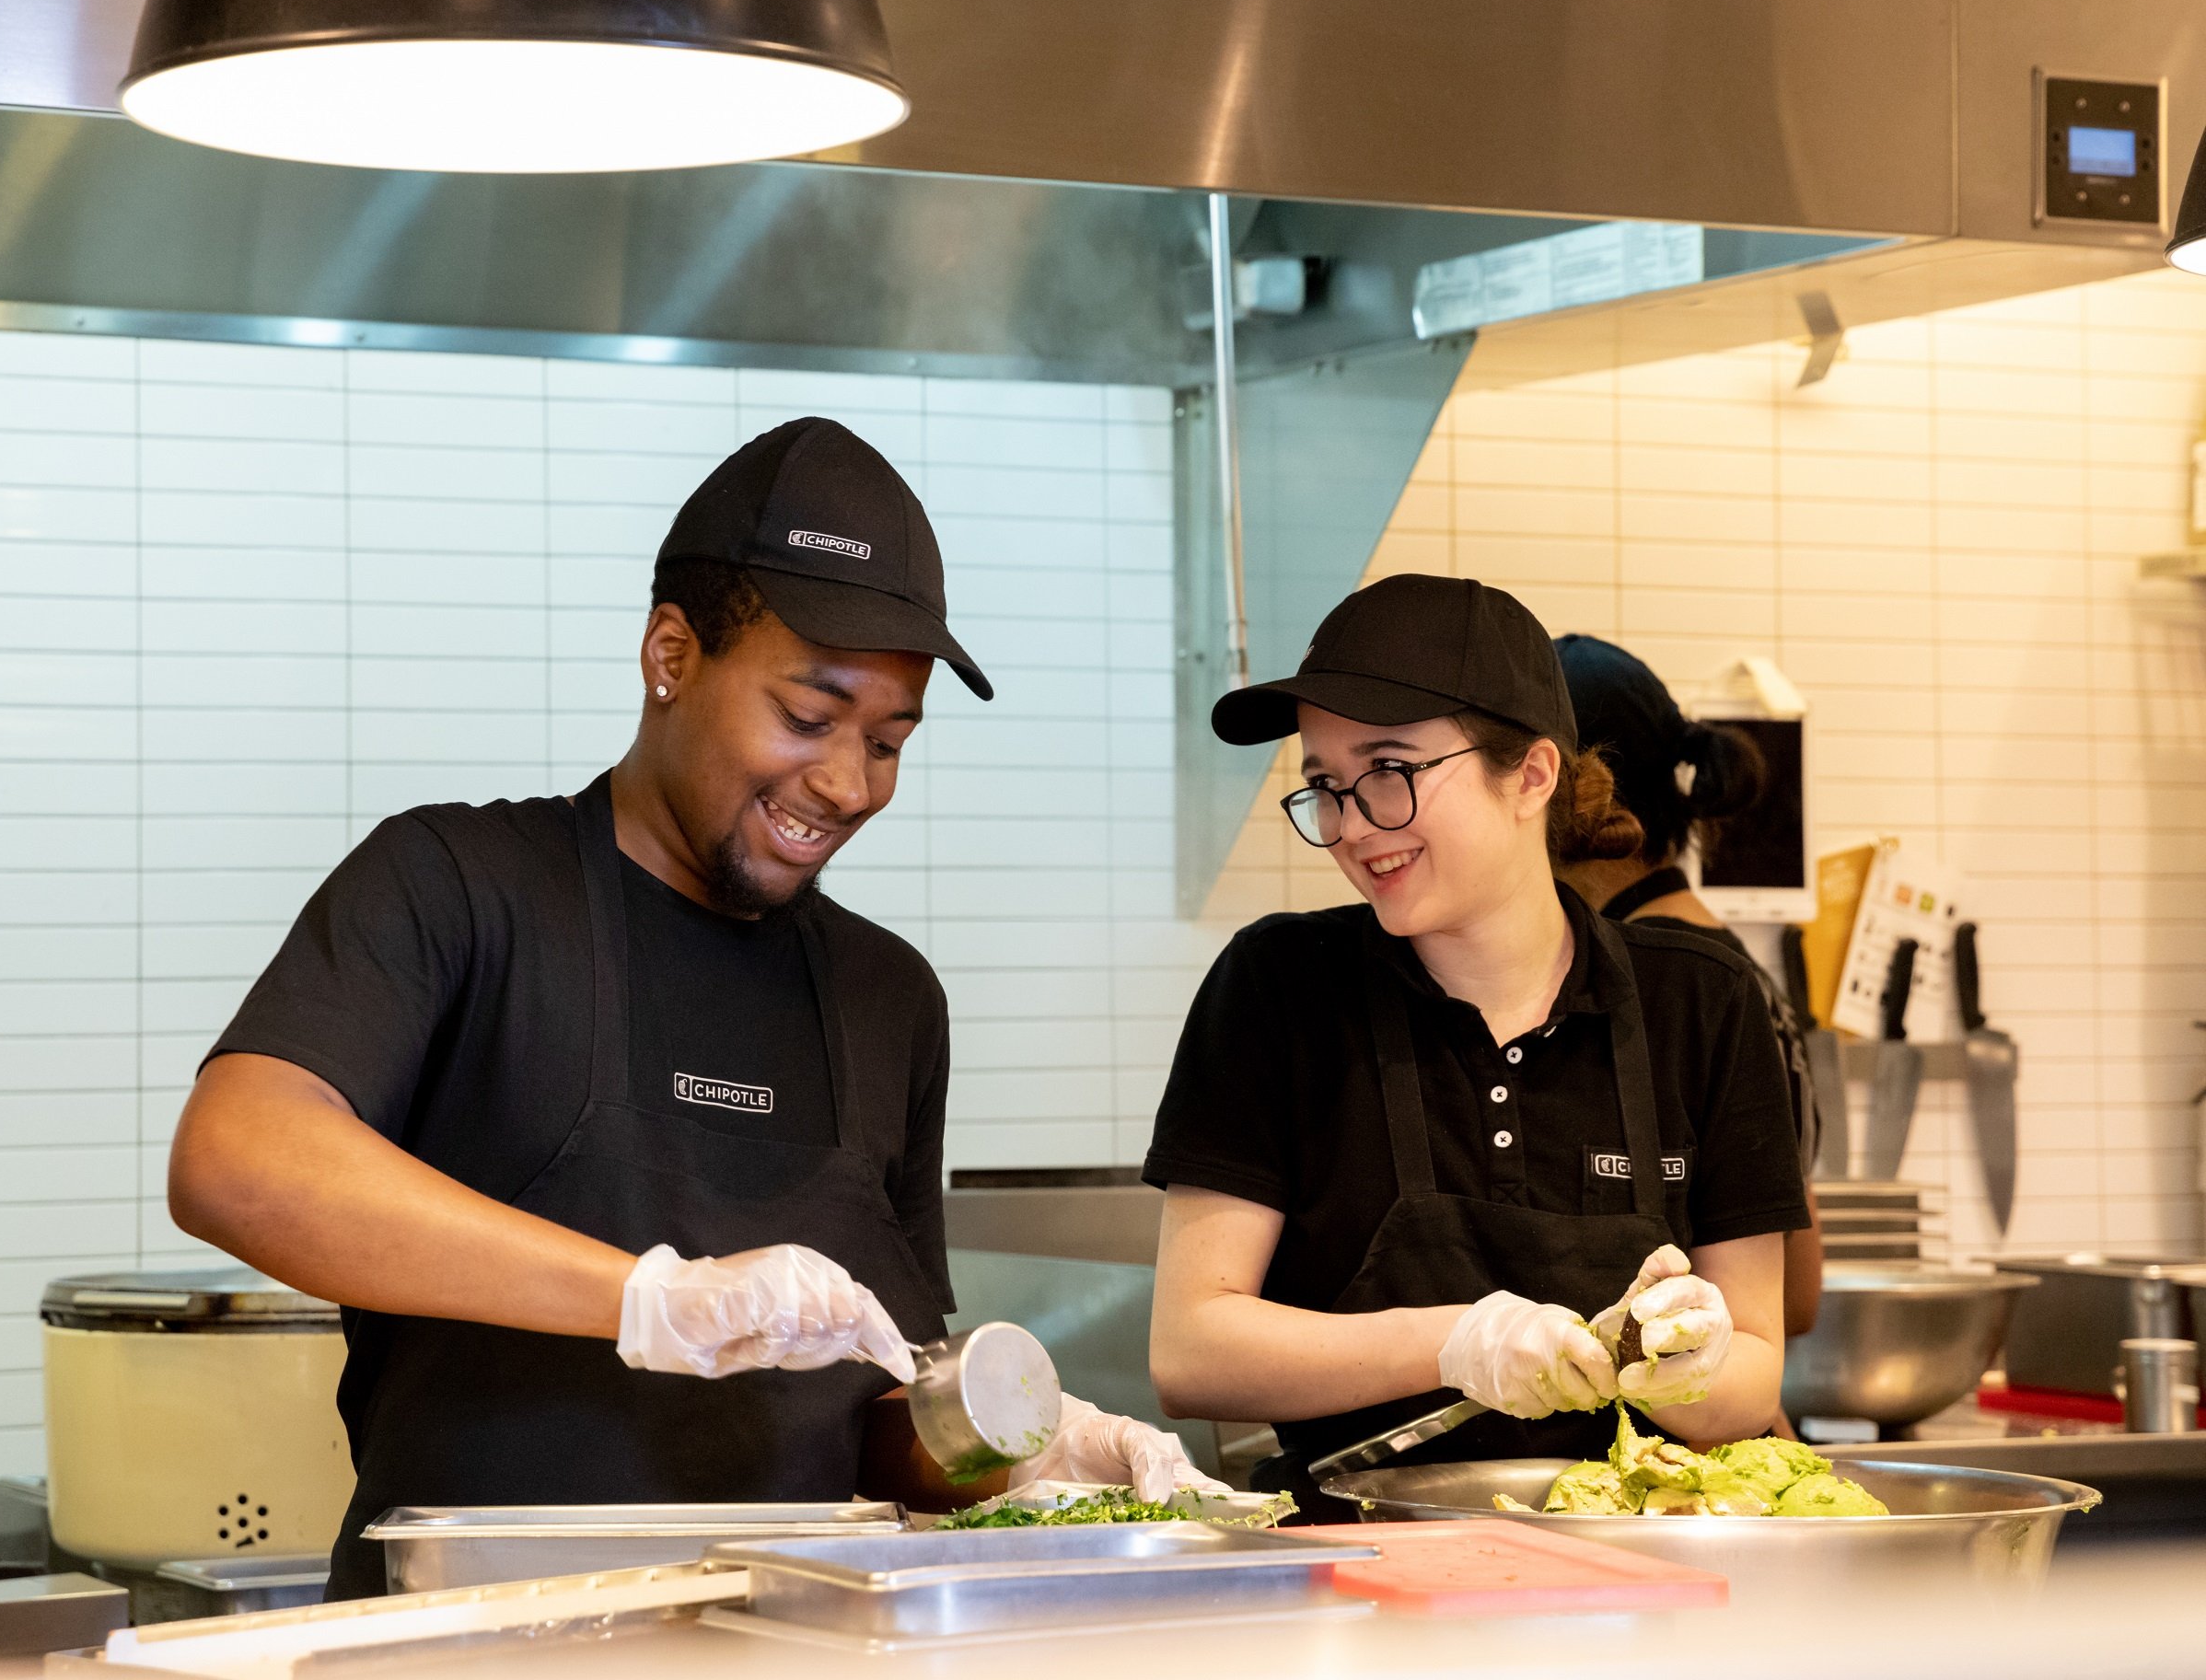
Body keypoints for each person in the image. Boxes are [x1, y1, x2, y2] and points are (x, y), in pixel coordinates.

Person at [169, 417, 1213, 1598]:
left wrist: (1011, 1443)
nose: (847, 782)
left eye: (888, 739)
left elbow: (869, 1428)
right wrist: (649, 1298)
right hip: (474, 1644)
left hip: (801, 1647)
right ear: (672, 654)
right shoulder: (459, 888)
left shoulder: (890, 997)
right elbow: (237, 1159)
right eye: (809, 718)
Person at [1144, 574, 1808, 1520]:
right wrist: (1455, 1339)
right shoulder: (1279, 988)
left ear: (1532, 774)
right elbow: (1191, 1349)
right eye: (1324, 784)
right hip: (1358, 1573)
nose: (1351, 826)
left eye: (1389, 770)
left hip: (1645, 1568)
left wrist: (1687, 1365)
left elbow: (1755, 1364)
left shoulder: (1702, 1001)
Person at [1551, 633, 1826, 1344]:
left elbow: (1787, 1300)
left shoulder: (1684, 985)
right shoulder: (1727, 968)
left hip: (1700, 1416)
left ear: (1573, 794)